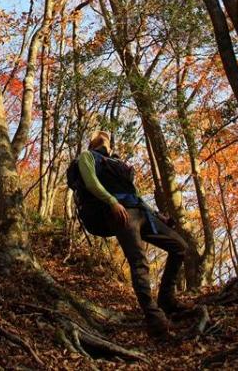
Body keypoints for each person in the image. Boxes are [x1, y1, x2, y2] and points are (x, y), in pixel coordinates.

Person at [75, 130, 188, 338]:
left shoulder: (119, 164)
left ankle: (166, 300)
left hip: (141, 212)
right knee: (139, 262)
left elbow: (135, 194)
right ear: (91, 142)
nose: (103, 134)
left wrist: (158, 215)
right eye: (98, 134)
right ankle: (155, 319)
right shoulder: (87, 156)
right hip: (120, 213)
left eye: (107, 134)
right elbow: (91, 183)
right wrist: (111, 202)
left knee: (180, 247)